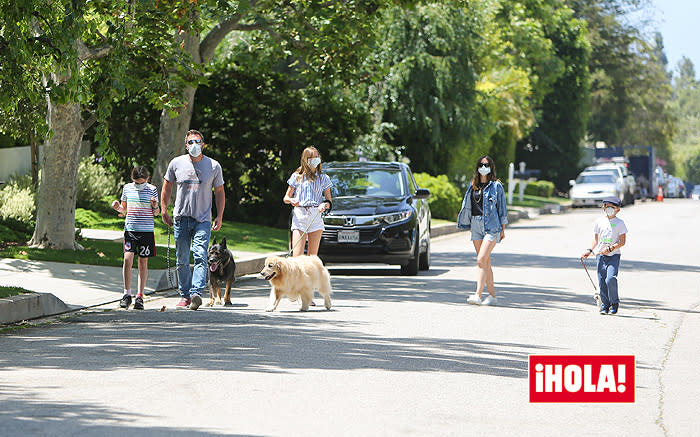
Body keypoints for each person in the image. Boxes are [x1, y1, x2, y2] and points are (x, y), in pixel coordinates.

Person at [161, 129, 225, 311]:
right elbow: (167, 186)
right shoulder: (176, 163)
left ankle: (196, 293)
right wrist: (164, 210)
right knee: (181, 259)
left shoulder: (213, 166)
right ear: (185, 145)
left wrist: (219, 216)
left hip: (202, 220)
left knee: (199, 255)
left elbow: (220, 192)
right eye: (190, 142)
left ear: (203, 144)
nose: (194, 145)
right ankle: (185, 295)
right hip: (181, 218)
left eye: (197, 142)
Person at [457, 155, 508, 306]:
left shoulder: (496, 186)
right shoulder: (472, 185)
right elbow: (467, 205)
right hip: (476, 225)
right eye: (481, 164)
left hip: (492, 227)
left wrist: (502, 230)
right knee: (485, 262)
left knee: (480, 260)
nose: (483, 167)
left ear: (491, 167)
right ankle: (492, 296)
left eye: (487, 165)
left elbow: (502, 209)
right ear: (477, 167)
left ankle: (477, 295)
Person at [111, 166, 160, 310]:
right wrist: (117, 207)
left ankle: (140, 295)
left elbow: (156, 213)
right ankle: (127, 294)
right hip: (130, 230)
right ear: (132, 180)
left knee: (143, 262)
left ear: (147, 179)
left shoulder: (152, 189)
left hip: (146, 231)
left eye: (142, 183)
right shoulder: (127, 188)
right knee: (127, 259)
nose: (140, 185)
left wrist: (155, 205)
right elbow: (124, 210)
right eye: (137, 183)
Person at [581, 197, 628, 315]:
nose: (609, 209)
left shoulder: (620, 223)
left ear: (618, 210)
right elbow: (596, 240)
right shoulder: (599, 222)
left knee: (610, 279)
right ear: (603, 208)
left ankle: (614, 302)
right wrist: (589, 250)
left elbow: (622, 242)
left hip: (613, 256)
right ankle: (604, 305)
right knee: (602, 281)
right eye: (607, 207)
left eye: (612, 207)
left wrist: (611, 248)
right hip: (600, 256)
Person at [283, 146, 333, 257]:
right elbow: (286, 198)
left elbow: (329, 201)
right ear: (306, 160)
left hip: (315, 215)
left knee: (312, 257)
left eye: (317, 157)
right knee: (297, 256)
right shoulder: (297, 177)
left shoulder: (324, 178)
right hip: (300, 216)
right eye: (312, 157)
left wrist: (324, 205)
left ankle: (311, 275)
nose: (316, 159)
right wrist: (292, 200)